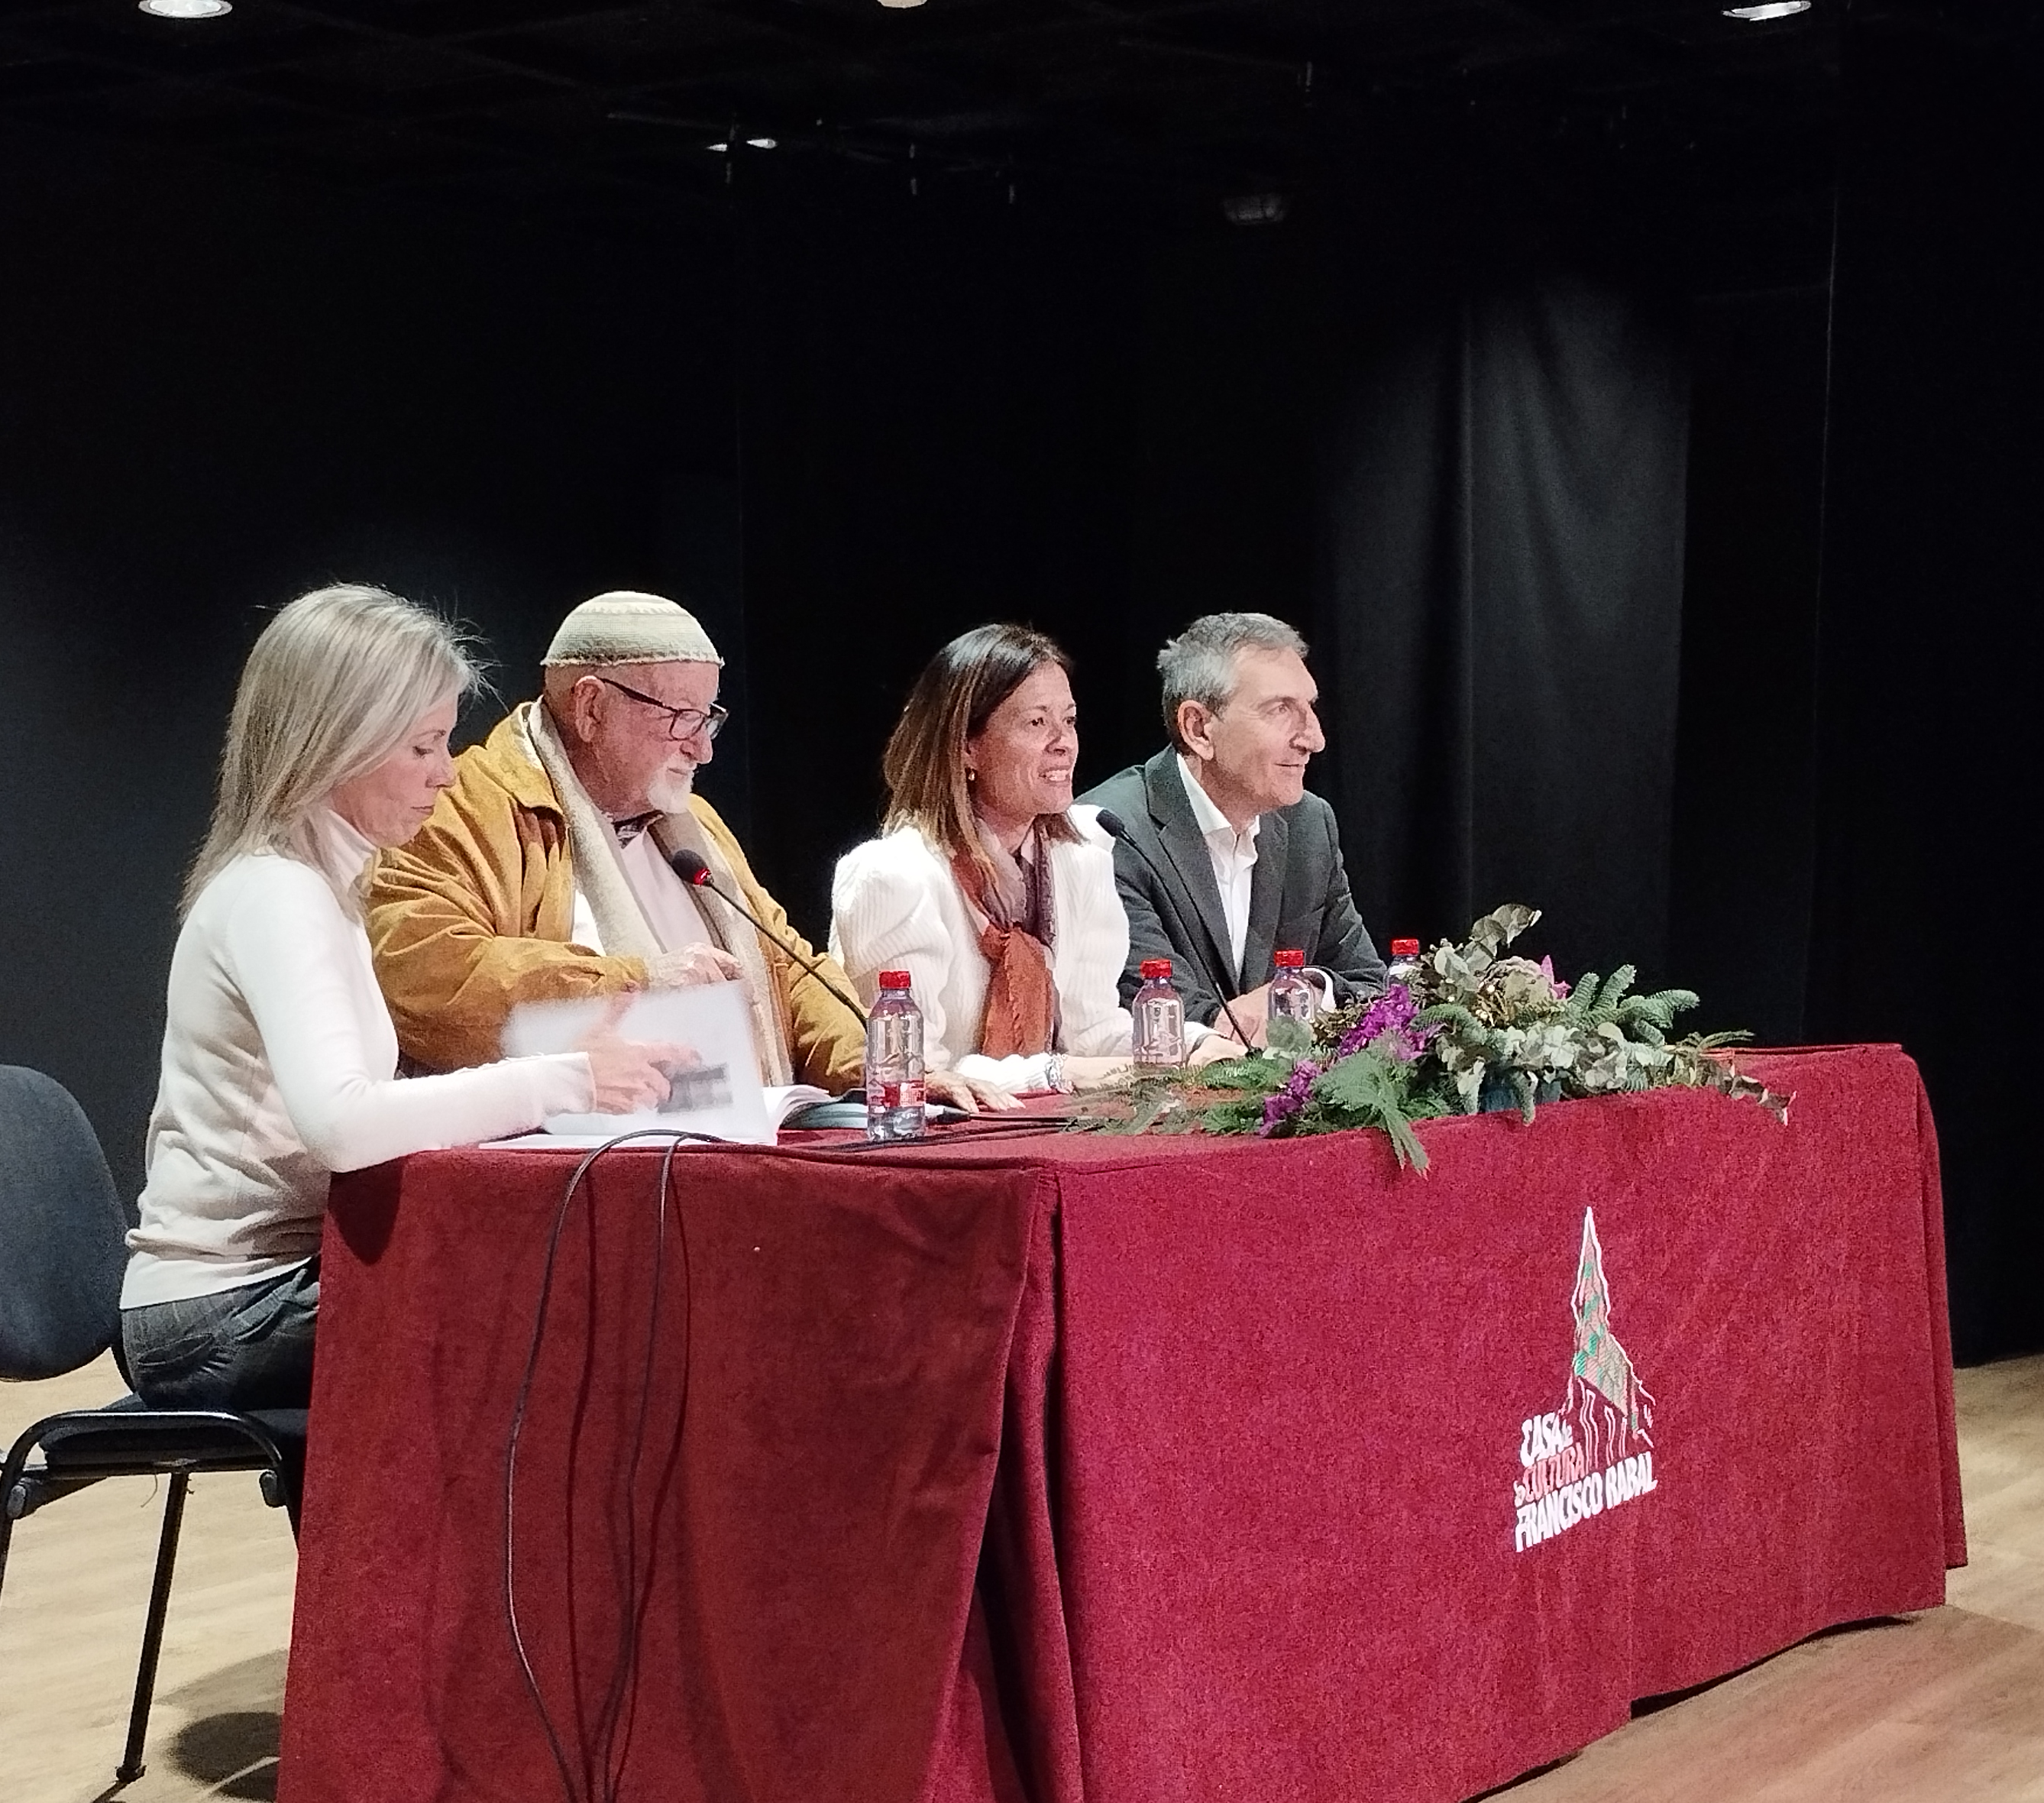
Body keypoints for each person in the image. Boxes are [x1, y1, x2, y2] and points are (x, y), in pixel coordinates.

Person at [119, 584, 691, 1413]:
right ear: (337, 745)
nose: (447, 773)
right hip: (216, 1314)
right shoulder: (280, 895)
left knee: (576, 1295)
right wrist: (570, 1080)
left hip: (268, 1290)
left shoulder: (322, 890)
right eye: (423, 747)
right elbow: (346, 1124)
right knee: (572, 1318)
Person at [365, 590, 866, 1091]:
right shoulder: (464, 805)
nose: (703, 749)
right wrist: (641, 982)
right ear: (591, 707)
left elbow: (788, 970)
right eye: (681, 717)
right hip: (568, 1154)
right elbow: (424, 975)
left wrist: (872, 1067)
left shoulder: (695, 822)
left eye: (707, 717)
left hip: (740, 1139)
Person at [830, 623, 1220, 1097]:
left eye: (1070, 720)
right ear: (966, 746)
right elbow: (918, 1075)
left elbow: (1092, 1035)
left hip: (1053, 1134)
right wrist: (1054, 1074)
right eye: (1037, 723)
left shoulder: (1082, 861)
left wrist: (1194, 1046)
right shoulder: (894, 877)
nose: (1064, 743)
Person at [1081, 611, 1385, 1041]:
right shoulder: (1110, 831)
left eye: (1309, 707)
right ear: (1199, 728)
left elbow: (1372, 987)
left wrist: (1304, 989)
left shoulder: (1309, 825)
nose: (1313, 739)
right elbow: (1164, 1011)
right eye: (1280, 710)